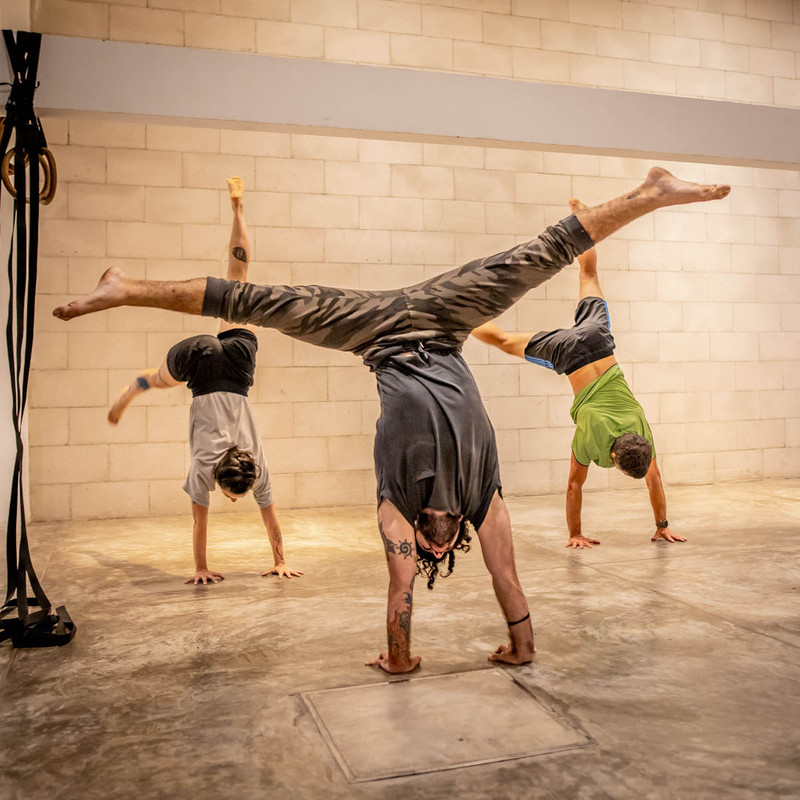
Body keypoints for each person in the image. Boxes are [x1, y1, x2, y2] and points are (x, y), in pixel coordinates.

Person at [54, 167, 728, 672]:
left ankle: (127, 290)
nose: (428, 547)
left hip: (371, 331)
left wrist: (398, 658)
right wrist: (522, 647)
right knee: (537, 257)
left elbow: (399, 589)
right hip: (445, 318)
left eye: (424, 552)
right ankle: (650, 194)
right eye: (439, 549)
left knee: (258, 303)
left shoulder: (397, 514)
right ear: (453, 539)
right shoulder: (482, 502)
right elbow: (506, 577)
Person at [106, 178, 303, 585]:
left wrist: (279, 557)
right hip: (199, 364)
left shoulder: (257, 466)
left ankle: (237, 208)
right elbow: (200, 524)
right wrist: (200, 568)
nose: (234, 501)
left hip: (237, 363)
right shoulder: (205, 470)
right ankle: (136, 387)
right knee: (160, 380)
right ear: (219, 479)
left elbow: (264, 522)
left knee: (239, 278)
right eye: (235, 497)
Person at [473, 197, 687, 550]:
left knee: (588, 274)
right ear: (615, 459)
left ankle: (582, 220)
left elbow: (654, 477)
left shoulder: (640, 431)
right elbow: (575, 485)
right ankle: (452, 318)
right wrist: (574, 534)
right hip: (569, 353)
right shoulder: (592, 440)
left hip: (599, 342)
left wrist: (662, 525)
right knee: (503, 340)